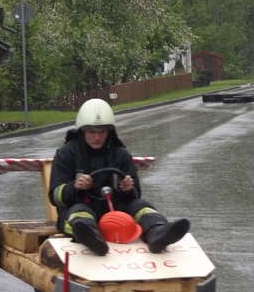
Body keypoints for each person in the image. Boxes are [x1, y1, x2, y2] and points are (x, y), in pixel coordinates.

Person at [48, 98, 190, 256]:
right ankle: (92, 238)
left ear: (109, 131)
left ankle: (158, 233)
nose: (97, 137)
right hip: (79, 208)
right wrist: (74, 187)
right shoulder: (66, 154)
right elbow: (55, 196)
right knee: (79, 214)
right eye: (92, 132)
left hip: (115, 214)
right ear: (82, 131)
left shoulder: (120, 154)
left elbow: (135, 194)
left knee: (141, 206)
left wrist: (129, 188)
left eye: (102, 132)